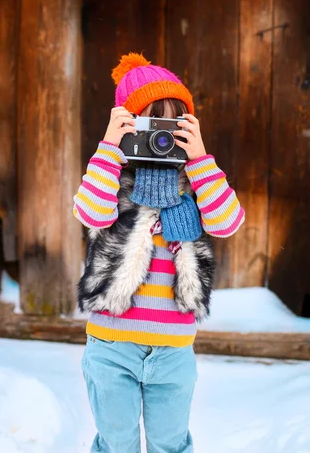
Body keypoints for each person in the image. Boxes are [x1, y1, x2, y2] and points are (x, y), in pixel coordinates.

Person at [73, 52, 245, 453]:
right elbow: (90, 212)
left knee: (170, 444)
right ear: (127, 123)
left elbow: (227, 221)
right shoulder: (112, 178)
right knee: (117, 442)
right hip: (112, 346)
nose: (160, 136)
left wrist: (200, 159)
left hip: (173, 351)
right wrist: (110, 148)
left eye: (172, 122)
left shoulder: (195, 185)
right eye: (151, 122)